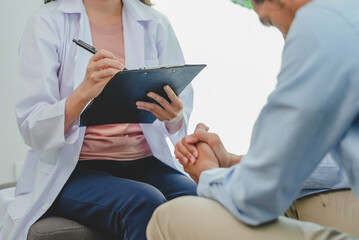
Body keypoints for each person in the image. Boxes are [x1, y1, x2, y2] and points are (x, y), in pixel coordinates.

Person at [146, 0, 359, 239]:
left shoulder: (321, 25)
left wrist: (207, 171)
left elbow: (256, 197)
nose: (286, 38)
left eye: (269, 22)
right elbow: (330, 164)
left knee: (173, 217)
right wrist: (233, 162)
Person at [0, 0, 197, 239]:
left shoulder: (155, 23)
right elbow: (32, 126)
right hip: (75, 170)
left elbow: (180, 107)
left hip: (144, 161)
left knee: (197, 197)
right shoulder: (45, 22)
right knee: (144, 202)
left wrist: (174, 116)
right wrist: (83, 93)